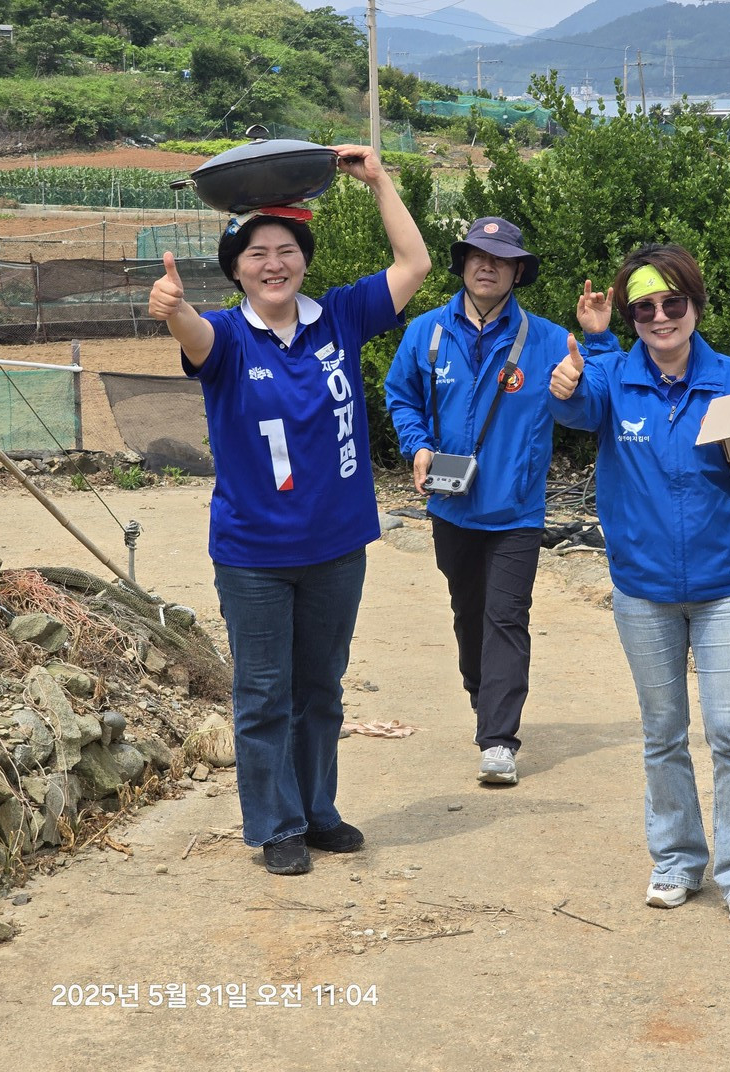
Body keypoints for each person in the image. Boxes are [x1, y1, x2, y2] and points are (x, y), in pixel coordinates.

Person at [148, 145, 430, 876]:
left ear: (304, 259)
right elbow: (197, 340)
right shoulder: (227, 336)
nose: (273, 264)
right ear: (236, 266)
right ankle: (275, 824)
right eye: (257, 253)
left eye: (286, 251)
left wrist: (380, 183)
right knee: (265, 693)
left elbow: (414, 265)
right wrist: (175, 312)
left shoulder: (338, 317)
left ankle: (317, 811)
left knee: (321, 689)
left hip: (337, 546)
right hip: (253, 556)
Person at [548, 242, 730, 927]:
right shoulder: (614, 379)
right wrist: (566, 379)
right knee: (664, 732)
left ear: (695, 306)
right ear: (631, 316)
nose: (660, 317)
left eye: (672, 303)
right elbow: (576, 407)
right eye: (643, 307)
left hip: (725, 585)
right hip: (642, 588)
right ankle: (677, 860)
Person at [385, 219, 611, 786]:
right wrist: (417, 446)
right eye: (477, 256)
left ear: (516, 272)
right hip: (449, 504)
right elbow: (401, 395)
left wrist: (588, 361)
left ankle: (498, 739)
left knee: (506, 614)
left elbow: (597, 401)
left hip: (516, 509)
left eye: (500, 259)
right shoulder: (426, 333)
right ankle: (482, 693)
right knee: (469, 612)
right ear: (463, 265)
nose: (487, 266)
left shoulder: (547, 340)